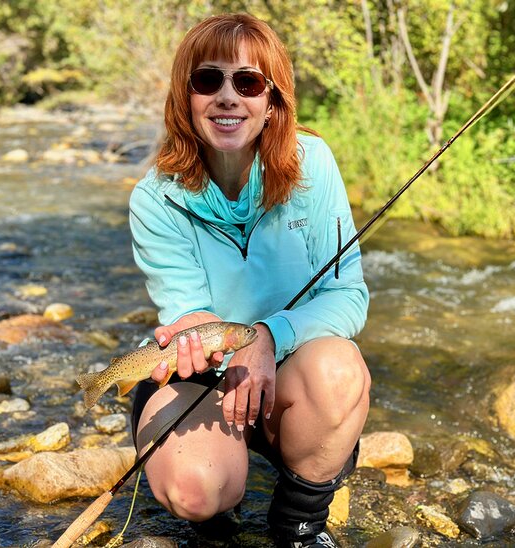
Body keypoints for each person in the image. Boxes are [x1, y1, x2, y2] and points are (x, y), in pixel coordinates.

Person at [128, 13, 371, 548]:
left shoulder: (314, 165)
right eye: (207, 80)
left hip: (289, 379)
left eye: (248, 82)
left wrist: (267, 335)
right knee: (195, 490)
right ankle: (216, 527)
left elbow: (349, 295)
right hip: (200, 374)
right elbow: (189, 312)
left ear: (272, 101)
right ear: (185, 96)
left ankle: (298, 528)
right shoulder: (154, 197)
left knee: (340, 368)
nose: (227, 97)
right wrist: (212, 343)